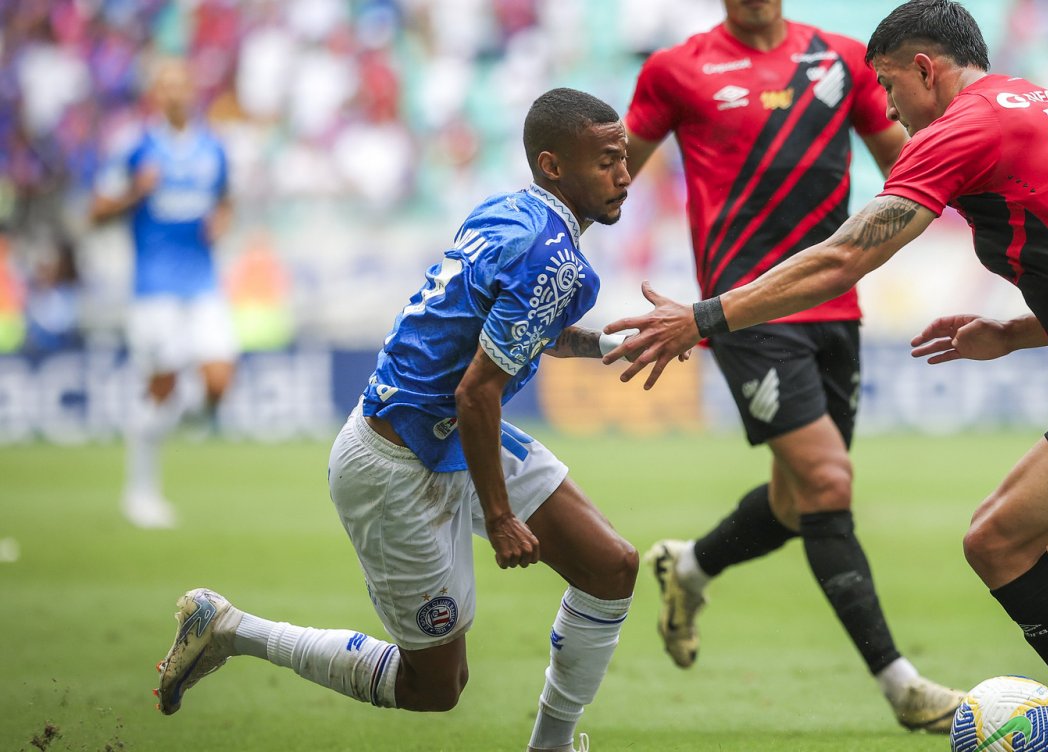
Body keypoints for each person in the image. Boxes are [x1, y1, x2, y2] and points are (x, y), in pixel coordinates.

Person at [604, 2, 1048, 750]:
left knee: (996, 541)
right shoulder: (1031, 100)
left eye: (890, 86)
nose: (892, 108)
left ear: (925, 69)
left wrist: (704, 317)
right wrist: (1012, 332)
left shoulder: (961, 127)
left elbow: (846, 255)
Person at [154, 88, 641, 752]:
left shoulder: (509, 212)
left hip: (444, 433)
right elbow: (477, 394)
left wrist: (611, 344)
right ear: (553, 165)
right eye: (608, 161)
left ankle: (549, 747)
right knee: (434, 688)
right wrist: (500, 518)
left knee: (610, 566)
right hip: (397, 466)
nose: (624, 175)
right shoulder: (553, 256)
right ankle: (232, 629)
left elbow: (523, 332)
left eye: (625, 159)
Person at [621, 0, 962, 733]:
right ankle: (901, 686)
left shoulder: (841, 60)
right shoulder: (675, 71)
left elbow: (910, 170)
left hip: (834, 309)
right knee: (830, 481)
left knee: (794, 502)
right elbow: (609, 174)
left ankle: (688, 569)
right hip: (743, 310)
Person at [91, 59, 236, 529]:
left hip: (202, 280)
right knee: (162, 386)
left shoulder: (213, 147)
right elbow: (95, 212)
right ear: (155, 93)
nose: (175, 92)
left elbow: (226, 199)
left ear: (192, 90)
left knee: (218, 380)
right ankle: (140, 491)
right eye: (166, 85)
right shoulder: (134, 148)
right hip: (154, 286)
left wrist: (221, 222)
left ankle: (182, 417)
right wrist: (136, 191)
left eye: (181, 84)